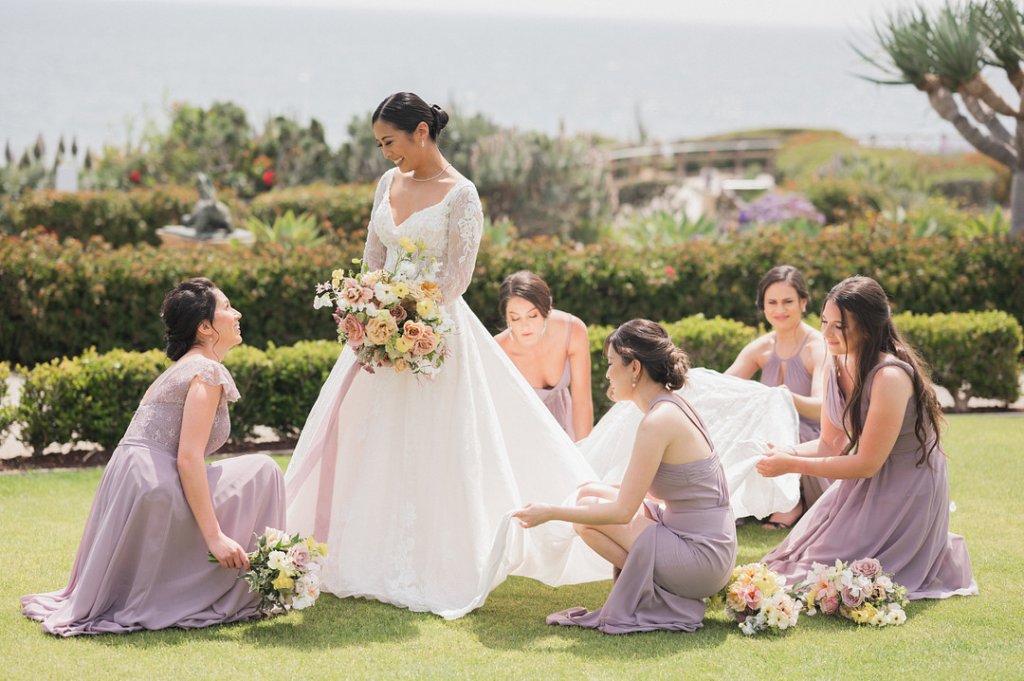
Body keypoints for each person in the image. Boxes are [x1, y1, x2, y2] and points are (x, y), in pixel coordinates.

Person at [284, 93, 606, 620]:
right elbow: (372, 256)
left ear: (421, 133)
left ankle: (437, 557)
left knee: (433, 445)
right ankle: (358, 551)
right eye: (380, 144)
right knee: (370, 438)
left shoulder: (463, 194)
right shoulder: (388, 184)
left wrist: (410, 317)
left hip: (435, 333)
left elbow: (458, 277)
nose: (386, 154)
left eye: (390, 142)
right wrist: (371, 310)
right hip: (377, 334)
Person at [21, 278, 285, 636]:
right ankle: (259, 579)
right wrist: (215, 537)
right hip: (154, 488)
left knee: (252, 470)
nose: (236, 313)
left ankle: (254, 572)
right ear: (205, 328)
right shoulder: (206, 371)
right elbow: (188, 459)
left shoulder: (183, 367)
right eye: (226, 307)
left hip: (132, 483)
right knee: (264, 469)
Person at [756, 276, 977, 600]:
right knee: (799, 561)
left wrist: (791, 464)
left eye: (839, 326)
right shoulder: (835, 363)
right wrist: (785, 451)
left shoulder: (889, 376)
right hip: (866, 473)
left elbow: (865, 464)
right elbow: (831, 444)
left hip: (907, 483)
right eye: (824, 323)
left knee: (838, 575)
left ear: (868, 327)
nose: (827, 334)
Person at [514, 320, 737, 633]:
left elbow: (621, 512)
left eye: (610, 364)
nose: (606, 374)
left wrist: (550, 513)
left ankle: (662, 596)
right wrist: (599, 490)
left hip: (701, 558)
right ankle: (657, 592)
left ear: (634, 368)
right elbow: (674, 489)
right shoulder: (670, 407)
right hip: (702, 539)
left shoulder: (659, 421)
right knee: (590, 494)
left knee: (585, 519)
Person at [726, 265, 828, 529]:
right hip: (768, 432)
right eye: (772, 302)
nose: (779, 310)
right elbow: (725, 387)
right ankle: (738, 503)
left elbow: (821, 409)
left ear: (803, 303)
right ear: (763, 306)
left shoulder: (816, 347)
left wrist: (784, 397)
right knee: (735, 430)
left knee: (774, 432)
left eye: (787, 302)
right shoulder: (761, 347)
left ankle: (792, 503)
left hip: (808, 433)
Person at [494, 271, 593, 440]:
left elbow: (582, 401)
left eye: (532, 315)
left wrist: (585, 448)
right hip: (520, 432)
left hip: (564, 422)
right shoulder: (498, 351)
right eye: (515, 318)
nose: (525, 326)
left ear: (547, 309)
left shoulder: (572, 330)